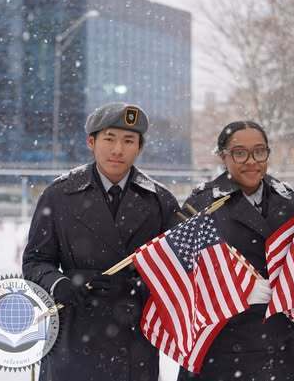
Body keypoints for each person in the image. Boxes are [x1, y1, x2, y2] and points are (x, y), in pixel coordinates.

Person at [23, 102, 179, 381]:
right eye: (109, 139)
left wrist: (135, 287)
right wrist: (62, 284)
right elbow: (35, 261)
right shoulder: (59, 195)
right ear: (91, 142)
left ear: (139, 147)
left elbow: (177, 269)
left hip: (134, 342)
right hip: (72, 339)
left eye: (128, 141)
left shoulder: (160, 201)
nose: (118, 150)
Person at [177, 121, 294, 381]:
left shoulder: (290, 201)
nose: (251, 161)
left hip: (275, 345)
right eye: (239, 153)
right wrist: (237, 289)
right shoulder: (201, 203)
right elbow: (182, 273)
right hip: (220, 345)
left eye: (259, 151)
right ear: (223, 156)